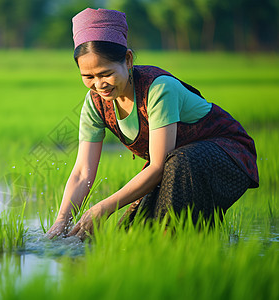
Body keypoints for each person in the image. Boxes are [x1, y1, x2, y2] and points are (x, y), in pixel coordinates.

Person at [46, 8, 259, 240]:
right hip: (176, 166)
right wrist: (60, 223)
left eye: (106, 73)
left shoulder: (158, 89)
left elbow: (158, 166)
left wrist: (102, 208)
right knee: (131, 236)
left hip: (228, 157)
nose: (99, 84)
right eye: (89, 77)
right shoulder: (95, 104)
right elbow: (81, 173)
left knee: (169, 228)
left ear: (127, 60)